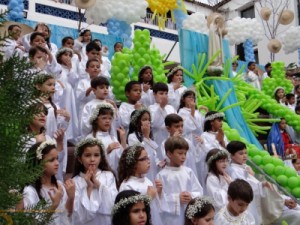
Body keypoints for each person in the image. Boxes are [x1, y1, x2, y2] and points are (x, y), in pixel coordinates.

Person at [228, 141, 300, 225]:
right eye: (241, 153)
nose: (244, 156)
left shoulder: (245, 167)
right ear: (232, 155)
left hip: (272, 200)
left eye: (246, 153)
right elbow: (248, 189)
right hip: (259, 206)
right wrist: (262, 185)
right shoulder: (234, 171)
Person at [18, 141, 75, 225]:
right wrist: (54, 204)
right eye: (51, 160)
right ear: (39, 163)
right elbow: (33, 222)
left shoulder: (59, 185)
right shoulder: (30, 191)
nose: (57, 163)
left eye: (57, 159)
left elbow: (67, 214)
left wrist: (71, 197)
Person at [156, 136, 203, 225]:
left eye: (185, 153)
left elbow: (199, 191)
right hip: (172, 218)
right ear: (169, 154)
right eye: (180, 153)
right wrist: (177, 198)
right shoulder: (162, 175)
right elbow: (160, 199)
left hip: (189, 213)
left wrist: (191, 196)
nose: (183, 157)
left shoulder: (188, 171)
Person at [72, 138, 118, 225]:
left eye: (96, 155)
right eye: (87, 155)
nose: (92, 159)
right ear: (80, 159)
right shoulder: (75, 181)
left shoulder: (108, 176)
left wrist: (97, 183)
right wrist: (89, 187)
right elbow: (78, 214)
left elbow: (113, 202)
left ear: (101, 158)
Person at [33, 74, 70, 180]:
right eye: (49, 84)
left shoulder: (55, 106)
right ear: (38, 86)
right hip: (37, 140)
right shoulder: (32, 105)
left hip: (53, 142)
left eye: (54, 85)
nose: (53, 87)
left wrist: (66, 119)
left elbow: (60, 128)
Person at [118, 144, 163, 225]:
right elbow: (129, 211)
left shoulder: (147, 180)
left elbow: (155, 207)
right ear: (133, 163)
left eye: (148, 158)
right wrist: (148, 198)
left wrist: (158, 192)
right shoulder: (127, 185)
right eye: (144, 159)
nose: (148, 161)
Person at [86, 102, 125, 173]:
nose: (107, 121)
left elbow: (121, 157)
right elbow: (90, 159)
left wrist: (123, 139)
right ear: (96, 120)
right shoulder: (91, 138)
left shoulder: (112, 138)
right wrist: (107, 150)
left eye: (110, 118)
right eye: (104, 118)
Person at [160, 114, 199, 179]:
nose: (180, 129)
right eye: (177, 126)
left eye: (182, 126)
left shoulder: (187, 141)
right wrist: (173, 140)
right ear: (168, 128)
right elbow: (167, 159)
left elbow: (195, 157)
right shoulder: (165, 143)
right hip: (174, 174)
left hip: (188, 172)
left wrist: (201, 144)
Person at [127, 108, 160, 180]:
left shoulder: (149, 136)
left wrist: (158, 162)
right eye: (144, 120)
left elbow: (153, 153)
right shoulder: (132, 136)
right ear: (137, 122)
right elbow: (138, 153)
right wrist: (146, 137)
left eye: (149, 120)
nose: (147, 122)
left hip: (152, 168)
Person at [56, 47, 79, 143]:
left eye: (70, 55)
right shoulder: (57, 67)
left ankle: (69, 136)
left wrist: (70, 68)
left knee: (69, 112)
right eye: (65, 55)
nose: (68, 57)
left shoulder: (71, 69)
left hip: (69, 96)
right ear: (59, 57)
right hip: (60, 95)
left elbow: (74, 81)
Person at [149, 82, 176, 149]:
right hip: (158, 138)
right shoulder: (151, 108)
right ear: (154, 94)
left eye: (166, 93)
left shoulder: (171, 107)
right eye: (161, 93)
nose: (164, 96)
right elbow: (154, 124)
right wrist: (161, 107)